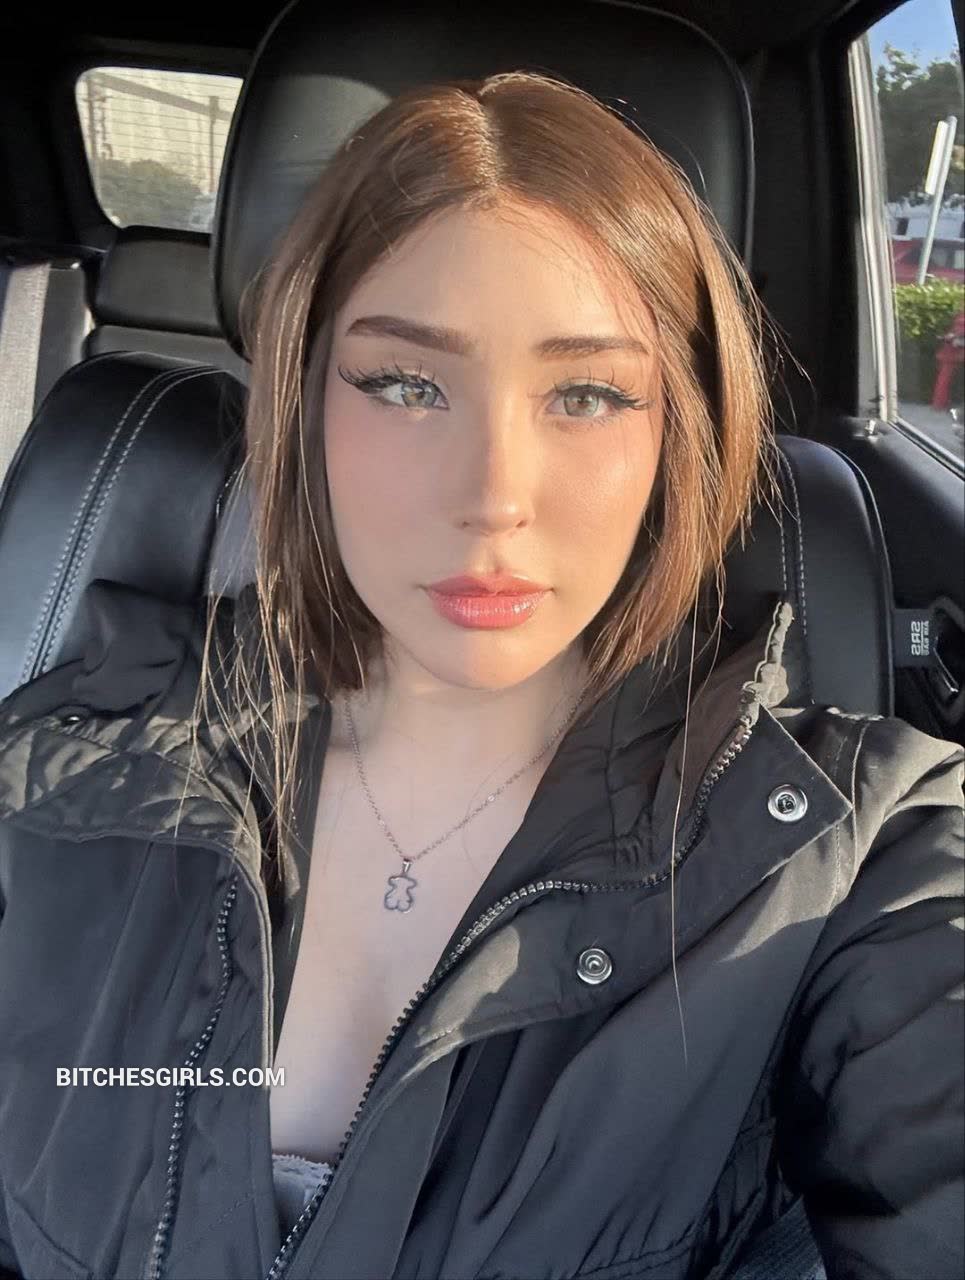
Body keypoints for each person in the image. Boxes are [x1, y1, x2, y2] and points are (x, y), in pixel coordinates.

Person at [0, 70, 962, 1280]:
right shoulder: (68, 756)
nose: (494, 495)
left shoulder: (847, 847)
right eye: (407, 385)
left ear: (675, 433)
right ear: (304, 402)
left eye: (586, 394)